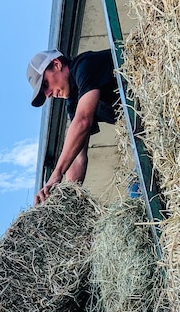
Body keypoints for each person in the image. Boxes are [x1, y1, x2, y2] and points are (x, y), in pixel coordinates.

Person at [27, 49, 121, 204]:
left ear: (56, 64)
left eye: (45, 84)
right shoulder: (72, 103)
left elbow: (83, 121)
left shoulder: (84, 65)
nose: (48, 94)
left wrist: (56, 173)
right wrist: (65, 199)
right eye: (44, 92)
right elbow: (78, 157)